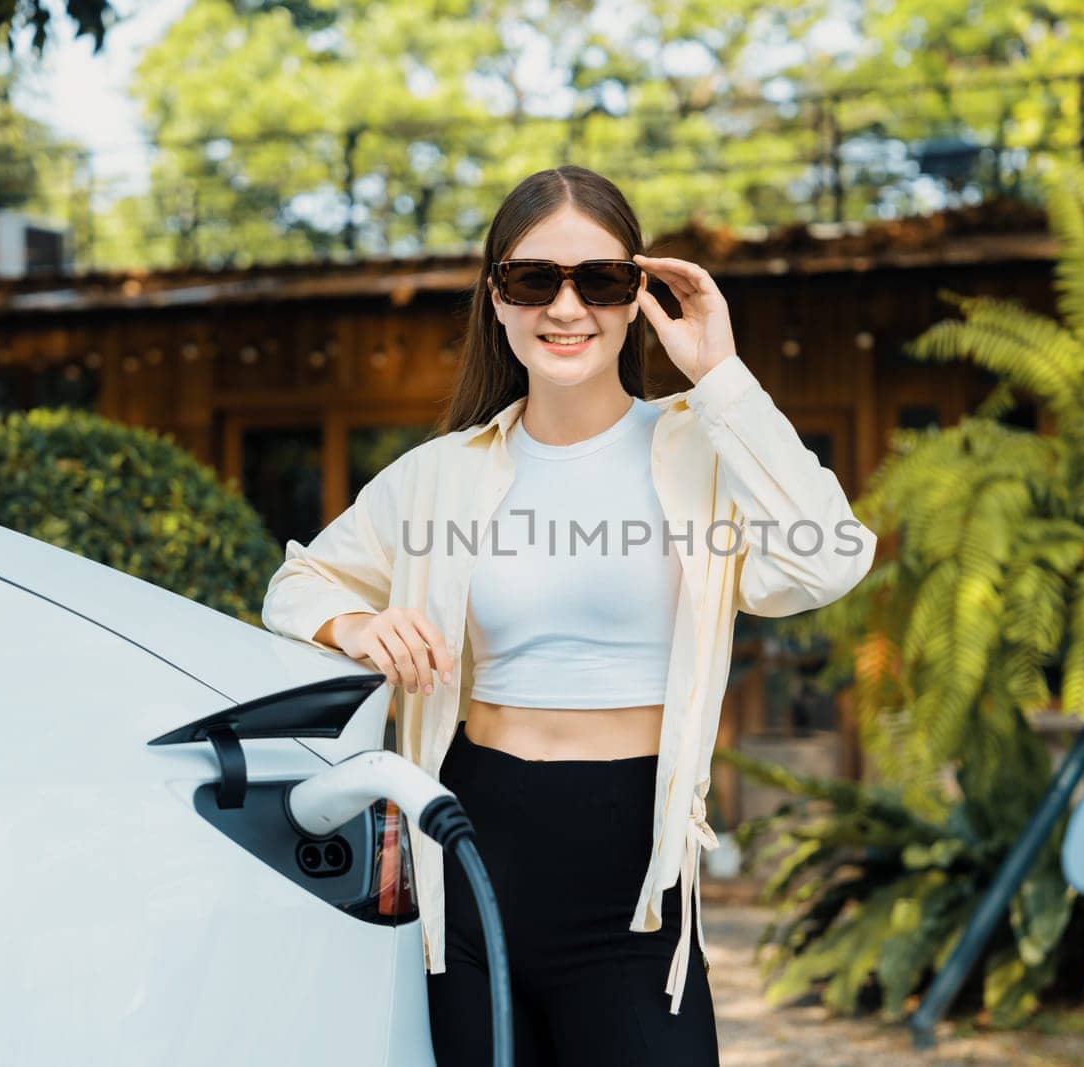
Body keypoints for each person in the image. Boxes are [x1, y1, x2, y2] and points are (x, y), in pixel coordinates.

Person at [261, 164, 878, 1066]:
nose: (566, 306)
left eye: (599, 280)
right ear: (497, 302)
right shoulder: (441, 474)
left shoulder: (699, 450)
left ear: (635, 298)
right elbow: (297, 580)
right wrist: (354, 627)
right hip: (471, 846)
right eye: (533, 279)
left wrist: (724, 378)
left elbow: (830, 554)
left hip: (633, 864)